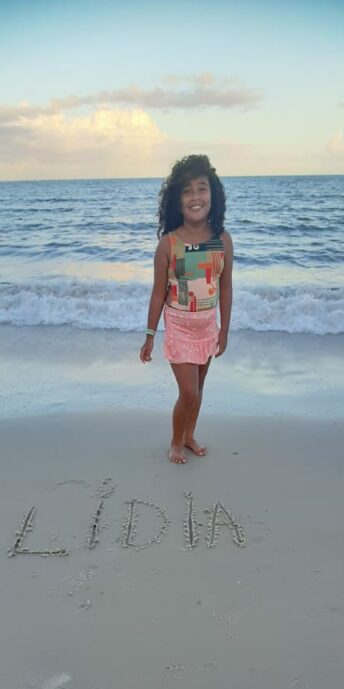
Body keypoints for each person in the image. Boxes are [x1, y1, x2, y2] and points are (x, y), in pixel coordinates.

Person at [140, 154, 233, 463]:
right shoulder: (169, 244)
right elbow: (158, 293)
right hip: (179, 327)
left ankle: (189, 435)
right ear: (176, 201)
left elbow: (226, 288)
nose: (195, 197)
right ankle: (176, 441)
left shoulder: (223, 241)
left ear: (213, 195)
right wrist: (150, 334)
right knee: (189, 392)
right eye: (187, 191)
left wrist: (224, 331)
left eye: (202, 188)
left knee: (199, 389)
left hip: (207, 326)